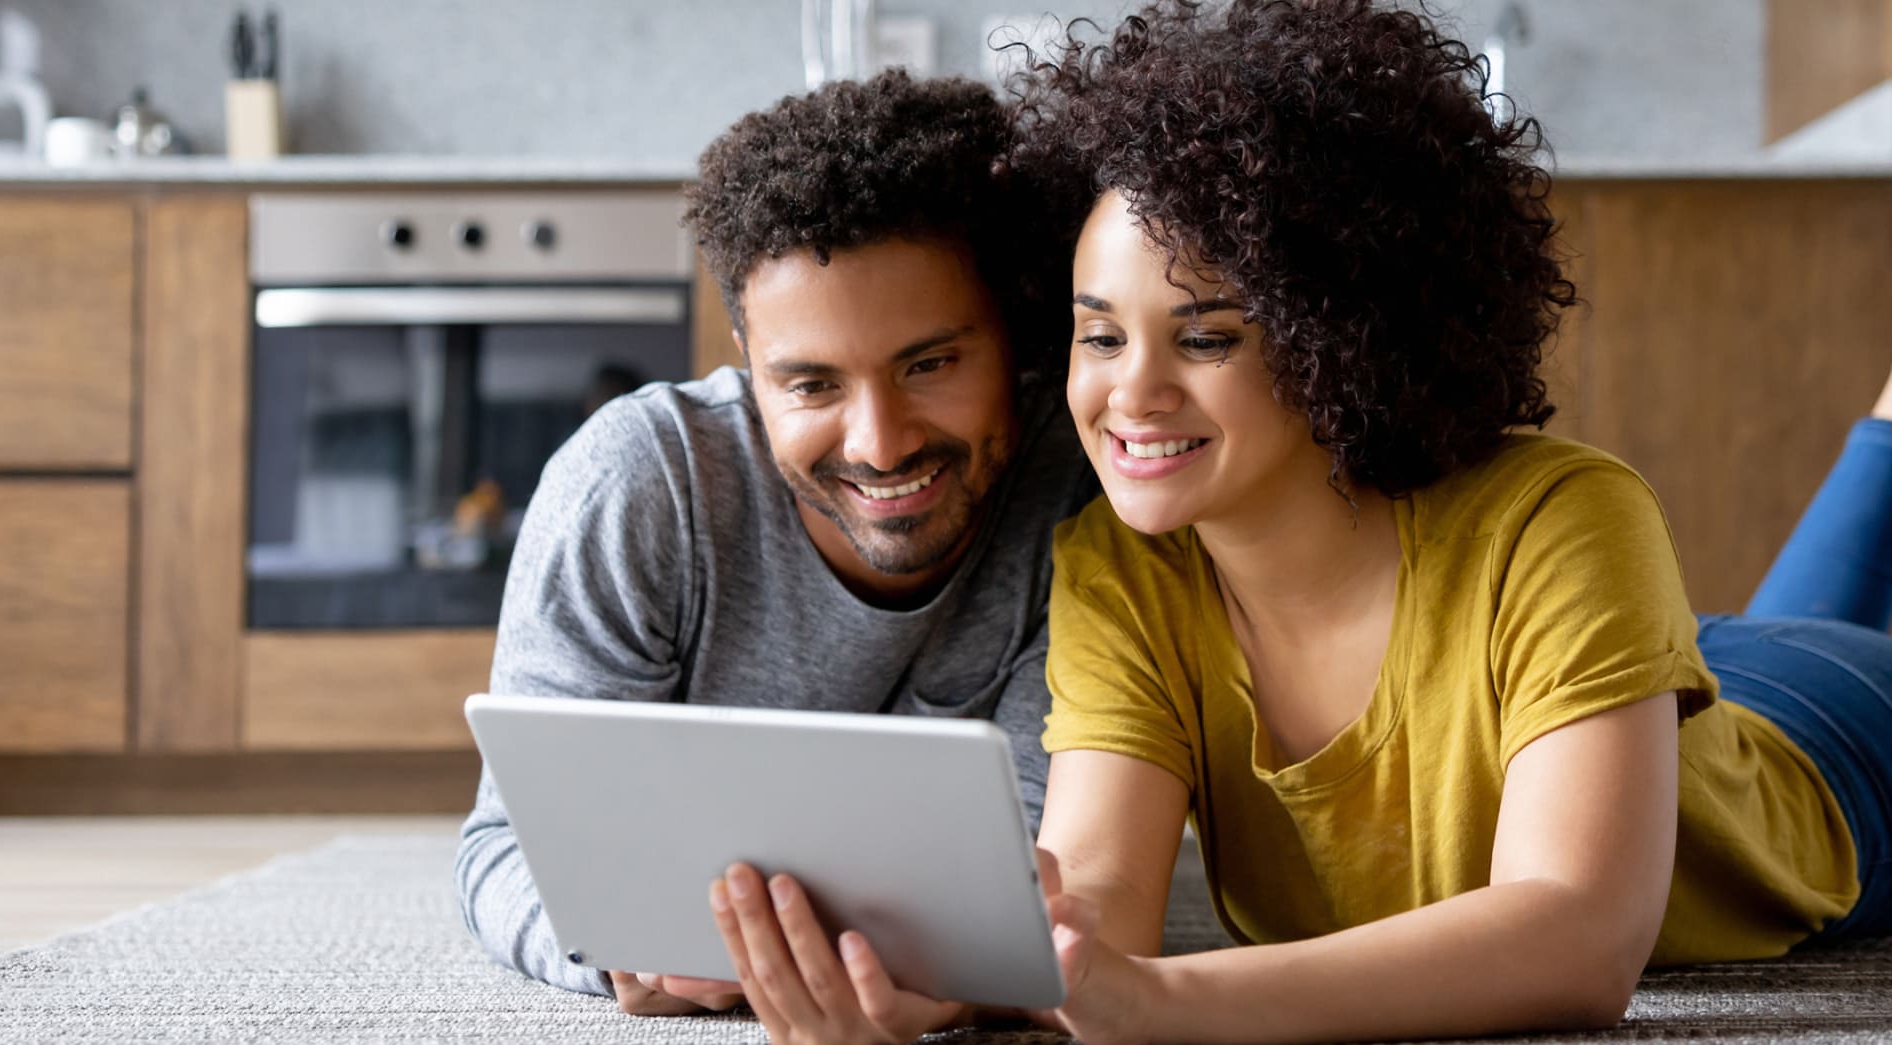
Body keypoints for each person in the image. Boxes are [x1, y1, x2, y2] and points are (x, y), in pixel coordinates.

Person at [701, 3, 1892, 1043]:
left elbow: (1577, 942)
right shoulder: (1119, 568)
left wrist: (1169, 1008)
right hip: (1676, 687)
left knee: (1808, 634)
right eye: (1099, 333)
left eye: (1207, 337)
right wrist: (940, 984)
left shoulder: (1564, 516)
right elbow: (1094, 908)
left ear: (1340, 342)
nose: (1131, 394)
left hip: (1831, 748)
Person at [452, 69, 1098, 1015]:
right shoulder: (638, 487)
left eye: (930, 364)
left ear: (1020, 343)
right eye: (811, 385)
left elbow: (1044, 878)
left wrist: (963, 984)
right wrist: (615, 950)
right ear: (750, 370)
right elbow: (503, 848)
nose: (880, 443)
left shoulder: (1081, 492)